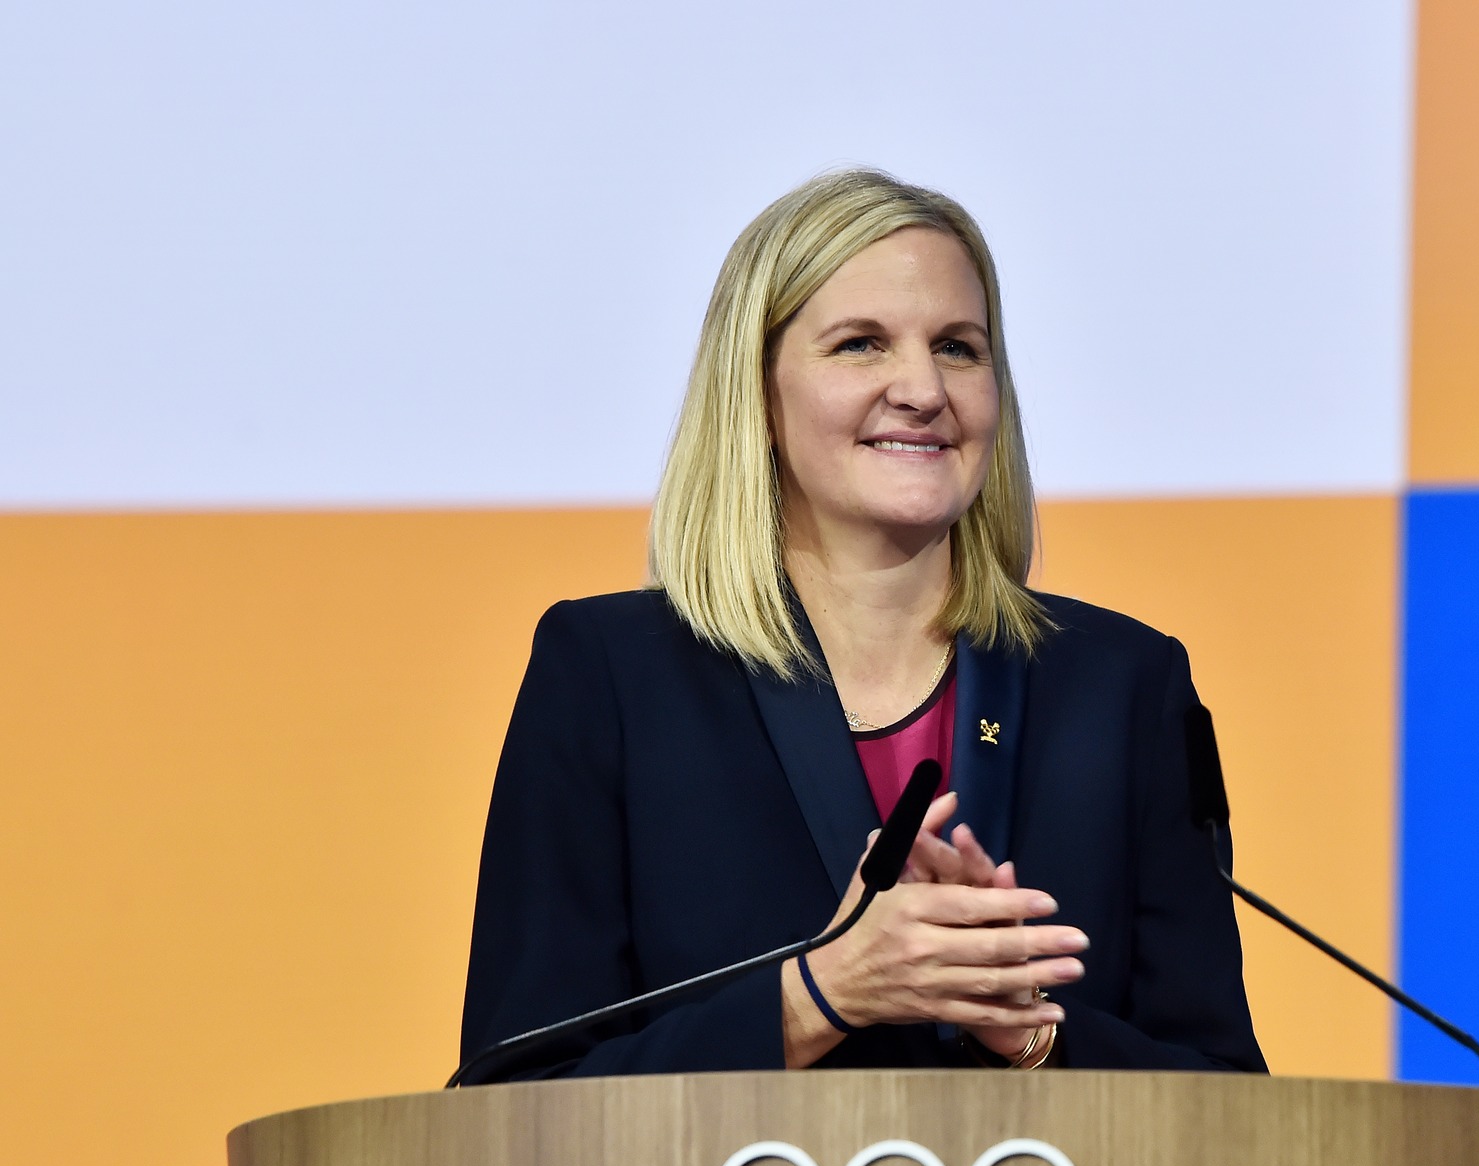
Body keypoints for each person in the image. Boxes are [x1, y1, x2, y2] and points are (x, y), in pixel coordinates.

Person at [459, 169, 1265, 1078]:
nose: (922, 387)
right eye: (860, 344)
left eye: (958, 347)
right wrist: (820, 995)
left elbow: (1227, 1097)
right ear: (757, 395)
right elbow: (513, 1093)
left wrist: (1031, 1033)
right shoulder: (610, 679)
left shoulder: (1123, 686)